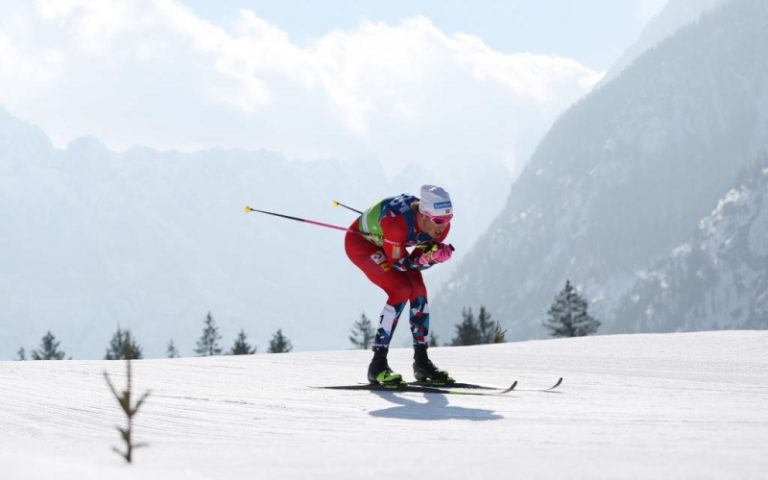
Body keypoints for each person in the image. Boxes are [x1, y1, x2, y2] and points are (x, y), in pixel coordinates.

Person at [345, 185, 455, 385]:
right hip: (362, 245)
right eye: (438, 221)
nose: (443, 227)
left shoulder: (440, 227)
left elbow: (415, 261)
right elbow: (400, 265)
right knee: (400, 289)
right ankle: (377, 365)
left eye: (448, 220)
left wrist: (429, 257)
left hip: (392, 245)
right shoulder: (396, 224)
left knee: (419, 290)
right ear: (423, 215)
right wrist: (430, 259)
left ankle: (421, 362)